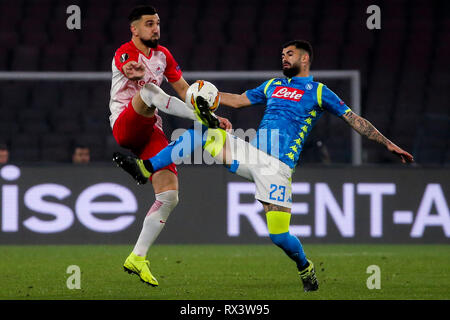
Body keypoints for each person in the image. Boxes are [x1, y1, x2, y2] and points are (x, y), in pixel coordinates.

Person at [113, 40, 414, 292]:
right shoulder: (273, 85)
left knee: (279, 236)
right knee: (203, 132)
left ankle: (305, 267)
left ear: (305, 59)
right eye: (282, 54)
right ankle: (146, 167)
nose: (284, 58)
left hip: (276, 169)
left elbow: (354, 119)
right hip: (251, 153)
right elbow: (240, 100)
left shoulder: (319, 92)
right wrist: (211, 100)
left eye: (290, 54)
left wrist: (386, 142)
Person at [109, 5, 231, 287]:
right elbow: (126, 64)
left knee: (169, 197)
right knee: (149, 91)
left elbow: (185, 91)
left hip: (151, 131)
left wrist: (206, 107)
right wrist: (132, 70)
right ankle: (203, 119)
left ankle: (137, 257)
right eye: (149, 24)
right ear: (135, 29)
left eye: (157, 23)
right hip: (125, 125)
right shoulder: (125, 51)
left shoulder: (164, 56)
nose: (155, 28)